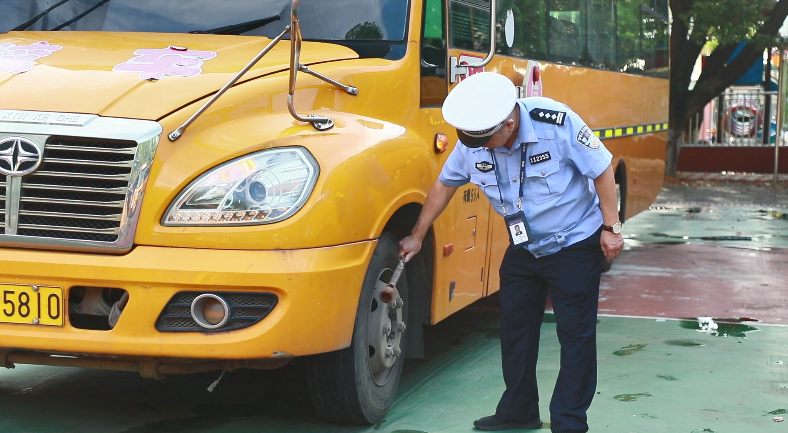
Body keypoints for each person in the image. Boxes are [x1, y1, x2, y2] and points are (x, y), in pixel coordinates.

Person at [398, 72, 624, 433]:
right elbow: (445, 184)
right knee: (515, 328)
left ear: (510, 122)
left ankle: (569, 421)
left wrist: (611, 228)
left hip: (573, 243)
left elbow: (601, 171)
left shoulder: (556, 122)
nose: (483, 148)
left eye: (490, 140)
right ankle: (519, 410)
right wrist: (416, 235)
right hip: (524, 247)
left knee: (575, 335)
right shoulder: (476, 139)